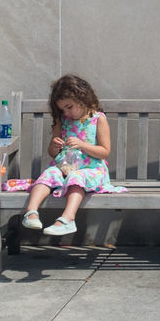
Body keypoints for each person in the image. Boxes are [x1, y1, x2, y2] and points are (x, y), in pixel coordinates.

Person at [20, 74, 120, 237]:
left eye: (69, 107)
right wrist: (54, 146)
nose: (66, 112)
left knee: (76, 177)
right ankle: (30, 212)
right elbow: (52, 153)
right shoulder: (62, 121)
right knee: (49, 173)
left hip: (92, 170)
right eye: (62, 109)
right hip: (64, 168)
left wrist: (83, 145)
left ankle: (68, 219)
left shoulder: (98, 119)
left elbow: (105, 151)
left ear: (83, 98)